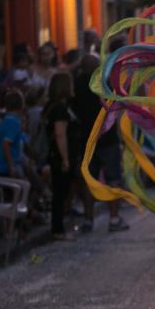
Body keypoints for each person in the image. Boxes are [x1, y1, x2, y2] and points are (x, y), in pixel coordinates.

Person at [73, 54, 127, 232]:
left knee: (89, 180)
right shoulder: (103, 82)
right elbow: (114, 107)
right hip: (107, 138)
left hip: (86, 139)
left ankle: (88, 220)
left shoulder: (77, 84)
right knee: (113, 179)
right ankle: (114, 218)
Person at [44, 72, 77, 241]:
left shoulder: (51, 106)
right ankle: (58, 229)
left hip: (55, 154)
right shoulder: (59, 109)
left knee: (61, 191)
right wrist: (65, 158)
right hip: (58, 156)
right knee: (59, 192)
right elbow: (60, 134)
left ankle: (59, 228)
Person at [0, 90, 26, 178]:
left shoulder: (3, 121)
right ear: (21, 106)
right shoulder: (14, 122)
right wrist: (11, 166)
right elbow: (5, 144)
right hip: (5, 168)